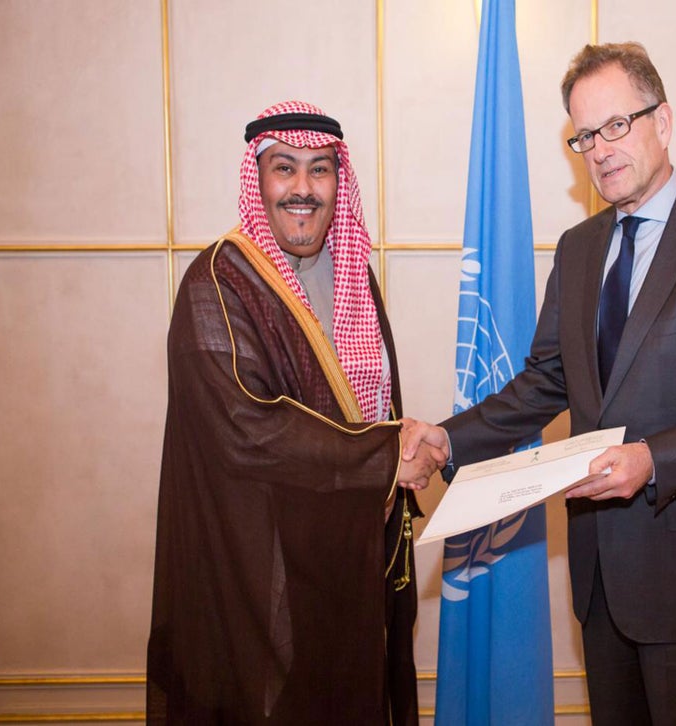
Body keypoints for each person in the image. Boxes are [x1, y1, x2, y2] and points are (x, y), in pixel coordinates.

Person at [402, 43, 676, 724]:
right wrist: (446, 439)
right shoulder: (579, 247)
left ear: (663, 121)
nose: (600, 149)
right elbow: (547, 380)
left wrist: (655, 460)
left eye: (616, 125)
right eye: (585, 135)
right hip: (598, 575)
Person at [146, 100, 445, 725]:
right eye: (285, 169)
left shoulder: (354, 274)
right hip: (266, 566)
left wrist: (399, 449)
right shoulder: (216, 284)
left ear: (341, 181)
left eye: (320, 169)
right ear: (258, 179)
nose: (303, 189)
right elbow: (246, 430)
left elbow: (372, 399)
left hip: (351, 550)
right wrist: (391, 454)